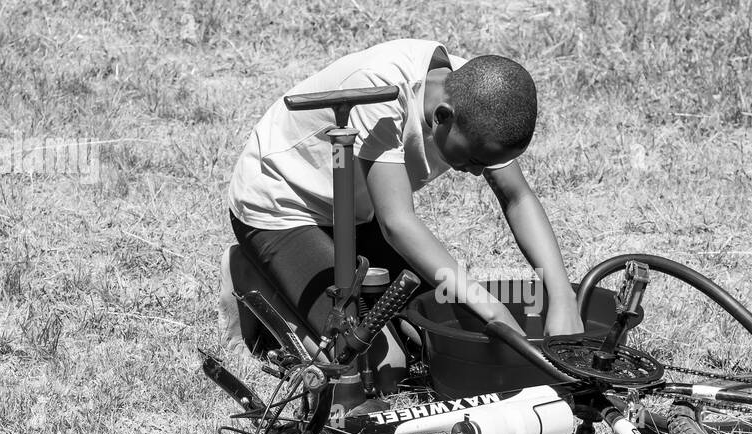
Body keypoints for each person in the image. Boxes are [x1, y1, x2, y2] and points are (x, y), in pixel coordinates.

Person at [225, 38, 585, 350]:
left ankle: (302, 274)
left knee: (437, 331)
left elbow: (516, 197)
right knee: (374, 362)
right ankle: (254, 273)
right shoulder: (379, 92)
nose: (479, 172)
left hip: (357, 215)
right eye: (475, 161)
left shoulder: (476, 98)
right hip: (284, 207)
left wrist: (561, 295)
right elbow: (397, 222)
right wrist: (493, 309)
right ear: (443, 116)